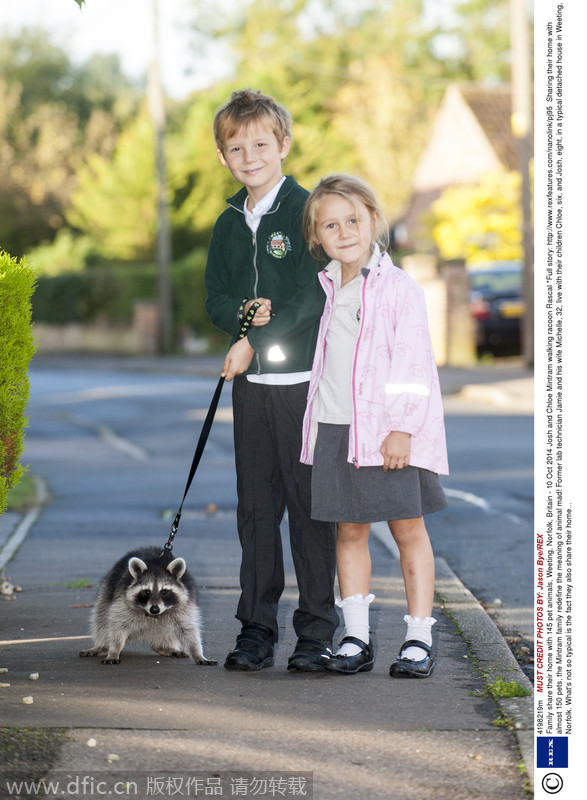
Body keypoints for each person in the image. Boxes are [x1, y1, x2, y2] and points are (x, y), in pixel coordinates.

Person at [204, 90, 339, 672]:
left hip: (304, 386)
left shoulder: (306, 211)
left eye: (260, 144)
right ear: (223, 156)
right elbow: (213, 296)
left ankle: (316, 632)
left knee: (310, 512)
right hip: (252, 392)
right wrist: (240, 313)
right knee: (257, 512)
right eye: (237, 148)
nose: (249, 156)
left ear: (283, 144)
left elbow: (313, 296)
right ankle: (256, 628)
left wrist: (253, 342)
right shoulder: (227, 223)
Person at [300, 174, 449, 677]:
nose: (344, 232)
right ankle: (356, 637)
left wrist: (402, 427)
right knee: (349, 530)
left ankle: (418, 638)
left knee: (408, 528)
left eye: (353, 220)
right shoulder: (326, 286)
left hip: (388, 432)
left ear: (374, 221)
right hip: (337, 427)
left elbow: (414, 362)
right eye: (330, 225)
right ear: (317, 235)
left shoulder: (398, 288)